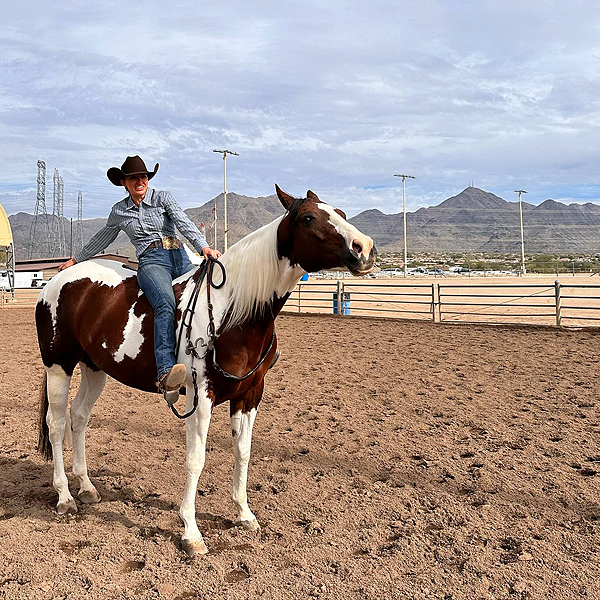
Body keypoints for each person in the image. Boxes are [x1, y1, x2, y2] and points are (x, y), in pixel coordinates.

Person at [58, 155, 221, 397]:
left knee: (211, 295)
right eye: (134, 178)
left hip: (180, 256)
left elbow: (183, 222)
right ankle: (166, 373)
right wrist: (76, 260)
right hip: (152, 261)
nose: (140, 181)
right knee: (165, 303)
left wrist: (202, 247)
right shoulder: (119, 211)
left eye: (143, 176)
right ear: (124, 182)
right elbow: (103, 238)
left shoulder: (162, 198)